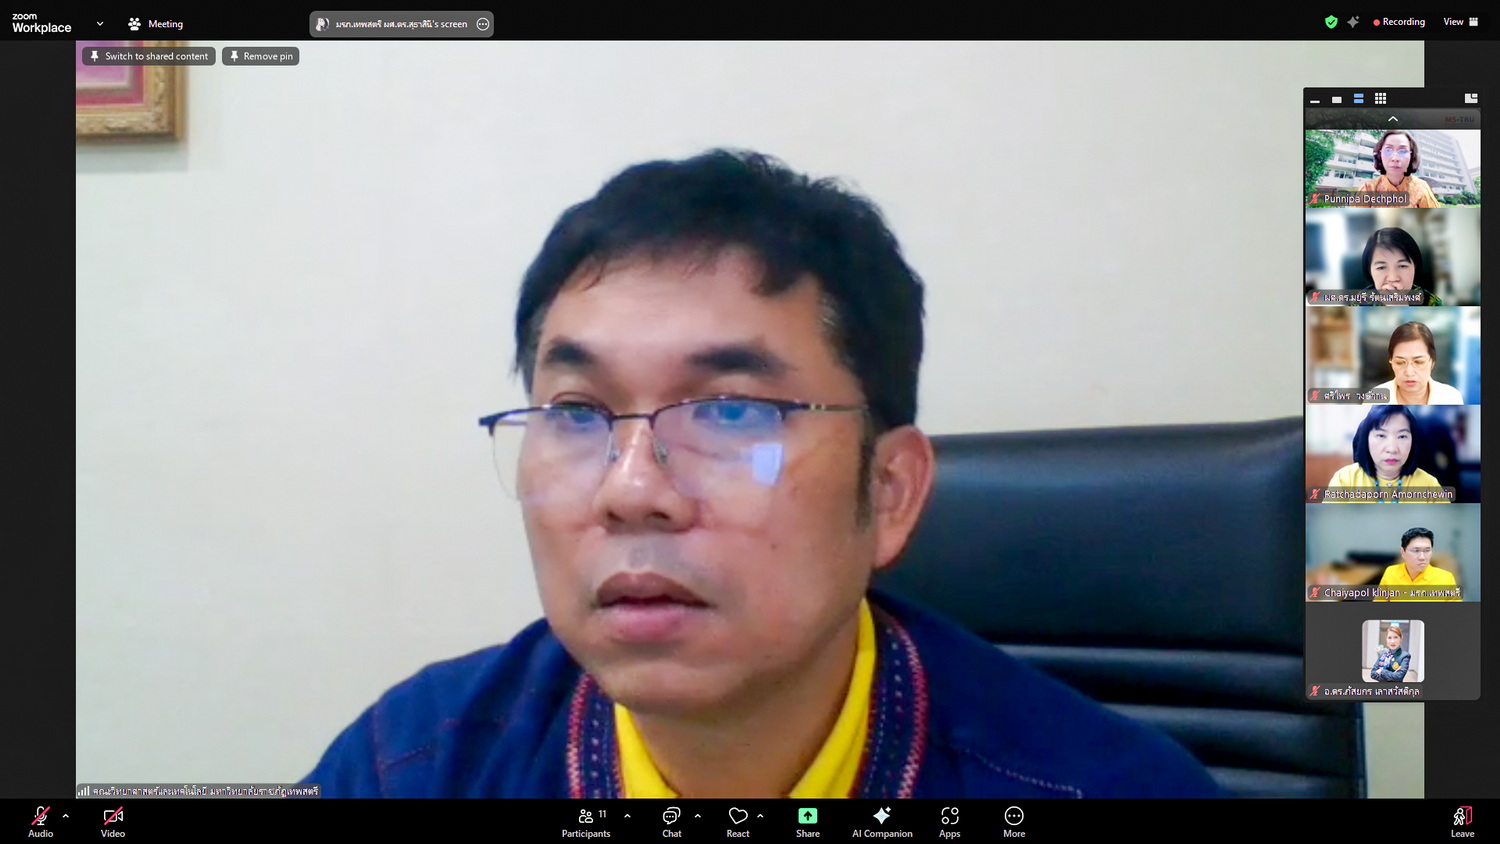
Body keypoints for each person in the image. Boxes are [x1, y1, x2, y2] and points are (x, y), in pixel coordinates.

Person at [303, 150, 1222, 798]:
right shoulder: (413, 766)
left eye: (731, 413)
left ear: (889, 492)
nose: (631, 490)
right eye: (578, 415)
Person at [1325, 405, 1449, 502]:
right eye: (1381, 435)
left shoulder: (1429, 484)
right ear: (1366, 440)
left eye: (1402, 436)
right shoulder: (1345, 480)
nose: (1392, 449)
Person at [1366, 322, 1464, 405]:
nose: (1409, 372)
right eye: (1400, 362)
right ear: (1391, 361)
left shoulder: (1450, 398)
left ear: (1432, 361)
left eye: (1418, 362)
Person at [1355, 227, 1443, 307]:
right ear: (1370, 270)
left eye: (1402, 266)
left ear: (1415, 266)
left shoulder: (1432, 303)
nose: (1393, 278)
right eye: (1381, 267)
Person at [1356, 130, 1439, 208]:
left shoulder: (1421, 188)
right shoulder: (1368, 189)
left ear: (1411, 156)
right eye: (1388, 150)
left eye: (1403, 151)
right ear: (1380, 154)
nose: (1395, 158)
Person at [1376, 527, 1460, 602]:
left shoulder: (1446, 578)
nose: (1422, 557)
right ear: (1403, 552)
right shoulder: (1391, 572)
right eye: (1416, 551)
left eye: (1427, 550)